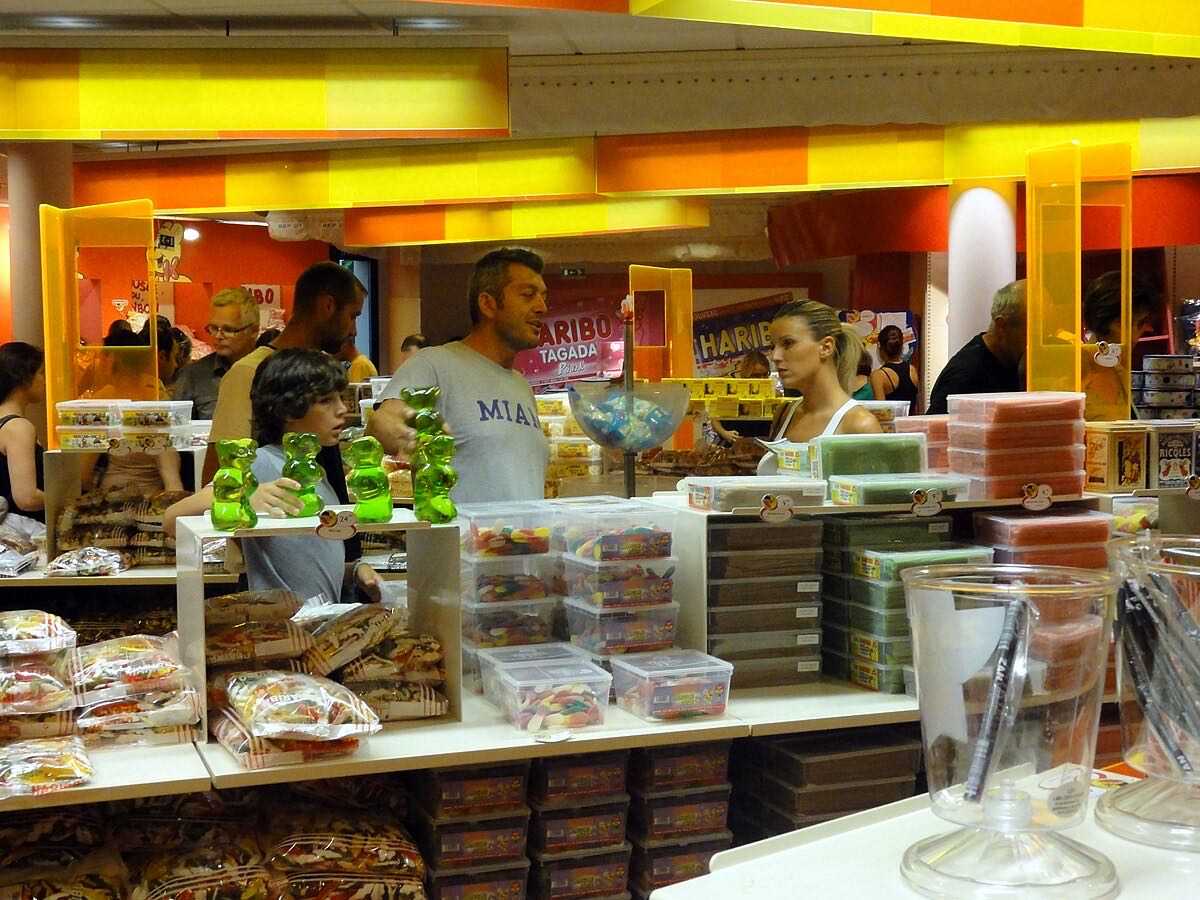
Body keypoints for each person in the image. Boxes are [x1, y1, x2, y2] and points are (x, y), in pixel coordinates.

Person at [370, 248, 548, 503]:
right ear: (488, 304)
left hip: (519, 541)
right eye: (528, 295)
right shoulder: (434, 363)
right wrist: (407, 434)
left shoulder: (520, 385)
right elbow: (381, 422)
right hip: (456, 542)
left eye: (543, 297)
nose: (542, 307)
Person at [204, 261, 366, 483]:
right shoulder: (247, 372)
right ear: (328, 306)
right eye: (352, 316)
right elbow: (219, 478)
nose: (354, 330)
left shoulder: (327, 370)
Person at [242, 349, 380, 602]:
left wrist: (355, 571)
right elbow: (174, 518)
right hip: (281, 631)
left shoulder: (317, 474)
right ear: (288, 409)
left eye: (341, 397)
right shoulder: (263, 462)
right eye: (326, 400)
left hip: (320, 625)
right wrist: (245, 495)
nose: (342, 409)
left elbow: (308, 560)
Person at [758, 300, 882, 475]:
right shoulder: (785, 413)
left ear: (826, 347)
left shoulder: (859, 425)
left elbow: (871, 499)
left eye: (788, 343)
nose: (775, 356)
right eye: (773, 346)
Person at [83, 328, 183, 495]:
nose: (97, 364)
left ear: (112, 359)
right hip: (151, 496)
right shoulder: (155, 393)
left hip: (119, 496)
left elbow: (83, 473)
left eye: (101, 357)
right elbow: (171, 477)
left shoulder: (106, 399)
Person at [927, 280, 1026, 416]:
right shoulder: (965, 374)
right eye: (1031, 329)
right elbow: (935, 432)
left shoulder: (1014, 362)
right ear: (1002, 326)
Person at [172, 288, 260, 420]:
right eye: (213, 328)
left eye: (228, 329)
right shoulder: (193, 376)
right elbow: (177, 427)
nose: (218, 336)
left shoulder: (273, 372)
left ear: (253, 331)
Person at [0, 342, 46, 521]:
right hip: (24, 533)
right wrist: (68, 500)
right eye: (41, 373)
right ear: (24, 378)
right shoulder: (19, 428)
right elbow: (26, 498)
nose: (45, 380)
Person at [704, 351, 771, 446]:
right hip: (733, 447)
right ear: (746, 375)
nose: (762, 379)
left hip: (762, 447)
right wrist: (725, 433)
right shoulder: (733, 392)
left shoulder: (772, 394)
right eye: (756, 375)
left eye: (765, 375)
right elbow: (715, 419)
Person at [871, 324, 920, 413]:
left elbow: (881, 413)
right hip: (911, 424)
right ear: (902, 346)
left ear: (880, 347)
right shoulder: (912, 370)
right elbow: (915, 406)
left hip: (892, 425)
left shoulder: (878, 375)